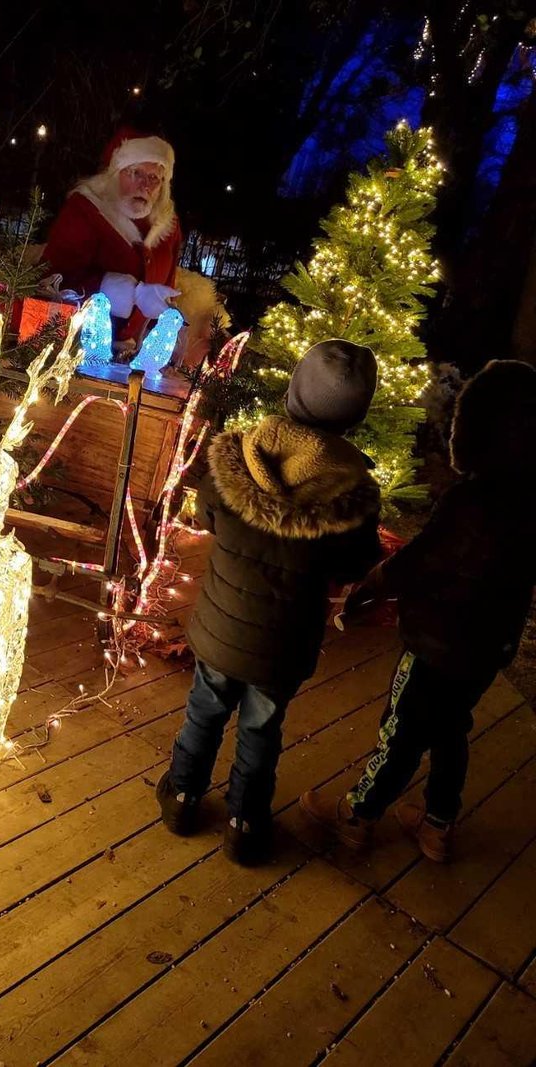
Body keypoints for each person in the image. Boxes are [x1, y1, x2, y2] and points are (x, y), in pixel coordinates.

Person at [300, 360, 536, 863]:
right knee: (453, 727)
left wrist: (374, 584)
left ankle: (357, 815)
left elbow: (425, 558)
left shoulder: (472, 502)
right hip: (488, 646)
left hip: (438, 643)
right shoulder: (530, 504)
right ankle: (437, 822)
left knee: (403, 727)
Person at [157, 339, 382, 865]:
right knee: (261, 727)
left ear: (293, 391)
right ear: (356, 414)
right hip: (284, 645)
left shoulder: (235, 459)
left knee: (204, 713)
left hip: (221, 629)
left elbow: (209, 515)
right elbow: (353, 567)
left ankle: (183, 798)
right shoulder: (353, 496)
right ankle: (244, 822)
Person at [42, 127, 182, 358]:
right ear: (115, 173)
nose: (145, 186)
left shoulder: (169, 226)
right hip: (75, 352)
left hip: (135, 360)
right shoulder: (85, 211)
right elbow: (50, 280)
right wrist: (122, 291)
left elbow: (168, 290)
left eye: (154, 177)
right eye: (136, 173)